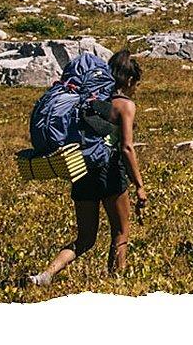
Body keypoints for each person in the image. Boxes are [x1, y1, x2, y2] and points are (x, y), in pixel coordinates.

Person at [30, 48, 148, 285]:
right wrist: (140, 186)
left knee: (85, 238)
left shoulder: (90, 98)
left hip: (82, 170)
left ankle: (46, 274)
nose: (136, 89)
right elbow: (126, 148)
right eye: (136, 84)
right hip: (109, 172)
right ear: (130, 80)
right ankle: (117, 283)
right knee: (120, 232)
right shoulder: (124, 105)